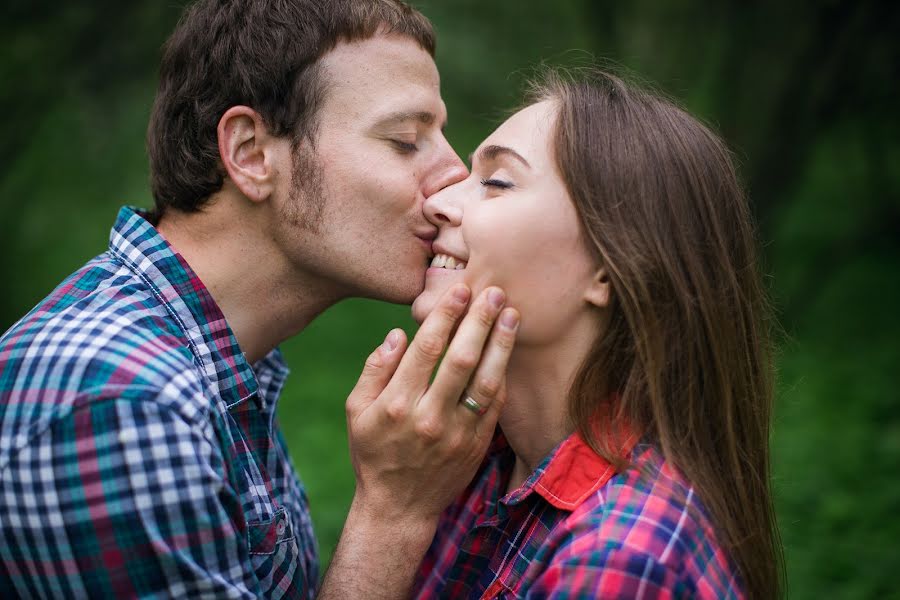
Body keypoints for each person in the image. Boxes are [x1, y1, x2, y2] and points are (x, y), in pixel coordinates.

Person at [0, 1, 520, 598]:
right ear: (250, 152)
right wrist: (392, 514)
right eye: (405, 140)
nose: (454, 176)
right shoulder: (120, 404)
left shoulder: (219, 365)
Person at [410, 69, 783, 599]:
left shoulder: (621, 558)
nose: (439, 202)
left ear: (608, 269)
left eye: (496, 182)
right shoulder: (463, 462)